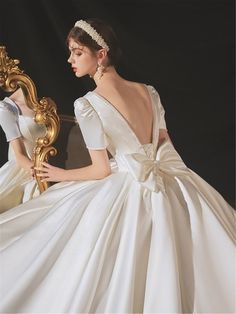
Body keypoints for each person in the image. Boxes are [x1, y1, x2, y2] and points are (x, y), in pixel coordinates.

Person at [0, 18, 235, 314]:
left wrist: (61, 174)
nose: (70, 59)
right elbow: (164, 143)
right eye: (70, 52)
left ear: (101, 54)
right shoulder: (148, 91)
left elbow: (101, 170)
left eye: (77, 52)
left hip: (127, 181)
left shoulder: (88, 103)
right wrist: (175, 175)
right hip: (169, 176)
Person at [0, 88, 46, 213]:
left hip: (48, 161)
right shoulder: (6, 108)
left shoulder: (45, 101)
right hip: (25, 169)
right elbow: (20, 156)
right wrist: (40, 172)